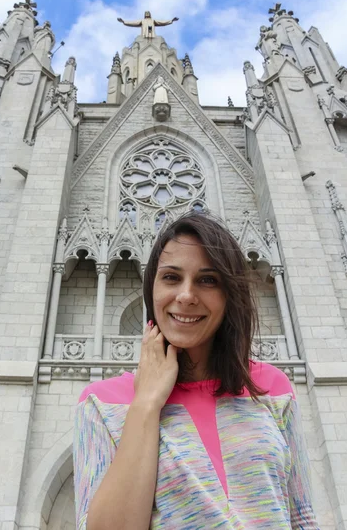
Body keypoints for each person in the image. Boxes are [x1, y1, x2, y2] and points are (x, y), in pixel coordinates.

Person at [73, 211, 320, 530]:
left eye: (207, 280)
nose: (187, 296)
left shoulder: (271, 387)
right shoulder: (102, 403)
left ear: (229, 295)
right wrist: (147, 402)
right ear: (152, 289)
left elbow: (301, 518)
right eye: (171, 277)